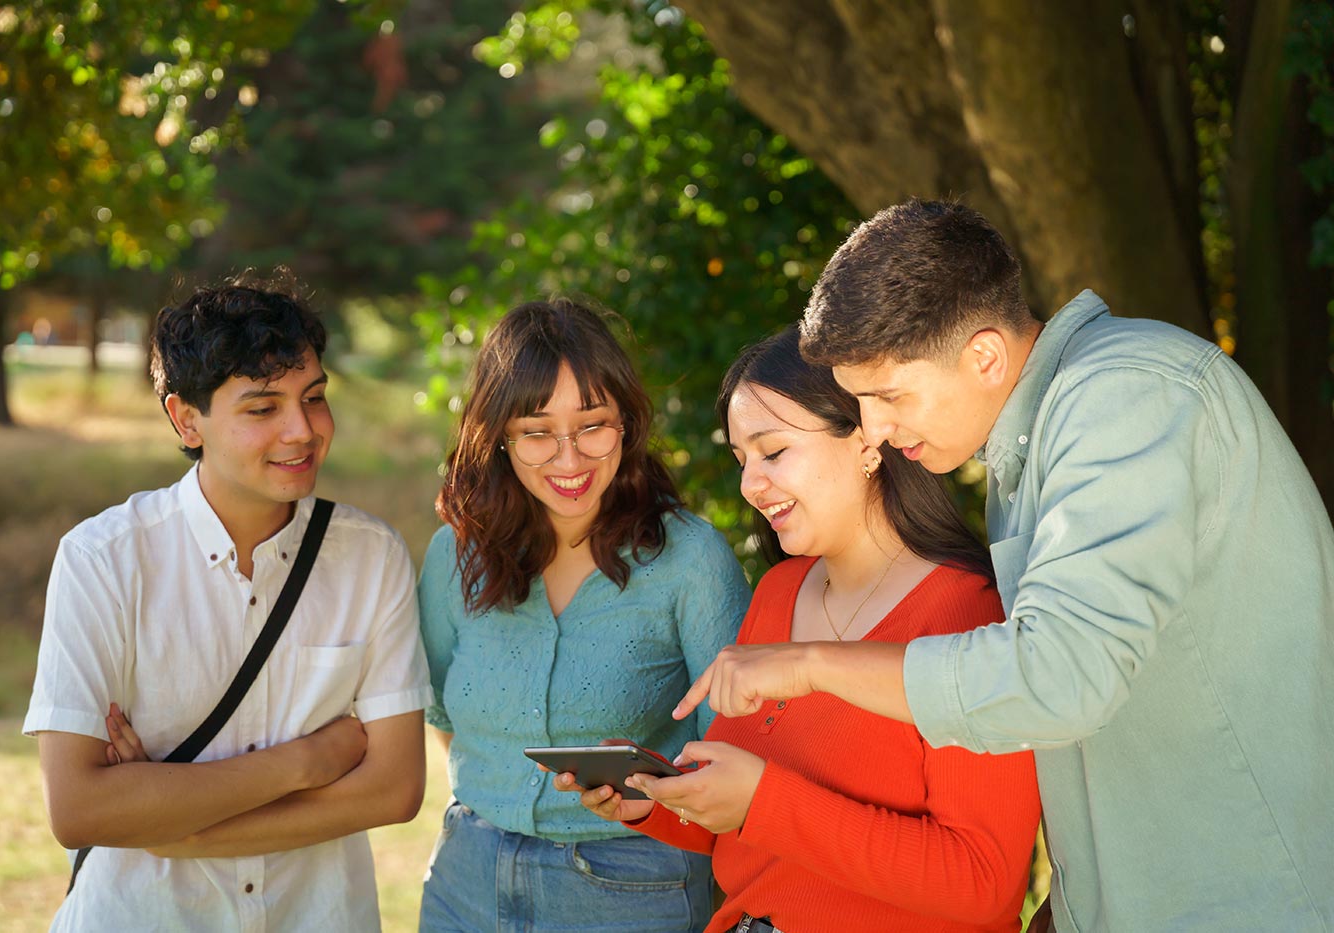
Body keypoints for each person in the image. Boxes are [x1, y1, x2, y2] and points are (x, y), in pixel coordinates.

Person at [675, 199, 1334, 932]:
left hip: (1250, 900)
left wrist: (811, 665)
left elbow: (1059, 674)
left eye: (889, 396)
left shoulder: (1127, 397)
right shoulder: (1033, 444)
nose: (877, 430)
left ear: (984, 356)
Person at [555, 327, 1041, 933]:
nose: (749, 484)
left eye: (773, 451)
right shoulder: (779, 593)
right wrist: (660, 800)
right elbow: (762, 840)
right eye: (741, 460)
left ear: (867, 440)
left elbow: (982, 886)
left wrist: (763, 799)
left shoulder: (967, 615)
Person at [23, 277, 433, 932]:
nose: (303, 430)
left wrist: (173, 821)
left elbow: (395, 787)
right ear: (185, 418)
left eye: (315, 397)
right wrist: (309, 761)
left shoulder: (369, 556)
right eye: (262, 407)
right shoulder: (103, 560)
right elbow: (78, 808)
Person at [416, 298, 750, 932]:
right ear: (500, 438)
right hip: (468, 880)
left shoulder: (690, 558)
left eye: (593, 425)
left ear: (626, 422)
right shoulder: (453, 555)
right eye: (538, 432)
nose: (569, 461)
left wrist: (650, 800)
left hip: (632, 885)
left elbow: (735, 753)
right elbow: (443, 713)